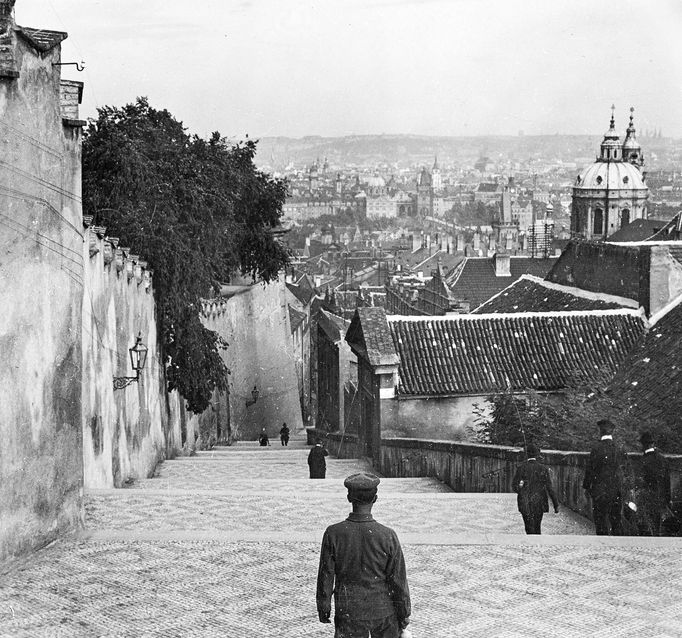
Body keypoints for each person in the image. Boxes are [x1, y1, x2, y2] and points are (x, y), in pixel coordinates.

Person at [317, 472, 411, 637]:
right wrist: (404, 614)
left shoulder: (333, 533)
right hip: (383, 612)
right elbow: (398, 580)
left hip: (348, 611)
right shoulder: (387, 535)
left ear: (349, 498)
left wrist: (324, 607)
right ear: (375, 498)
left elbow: (326, 575)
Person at [582, 419, 627, 535]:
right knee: (616, 521)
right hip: (616, 491)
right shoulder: (620, 449)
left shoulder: (596, 448)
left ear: (600, 432)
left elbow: (590, 470)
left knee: (600, 521)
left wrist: (587, 487)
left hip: (600, 492)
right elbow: (626, 470)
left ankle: (602, 548)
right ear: (612, 432)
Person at [511, 443, 559, 534]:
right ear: (538, 454)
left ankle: (531, 544)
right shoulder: (543, 469)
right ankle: (537, 544)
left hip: (525, 501)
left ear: (526, 454)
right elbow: (550, 488)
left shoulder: (521, 468)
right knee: (537, 526)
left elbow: (514, 486)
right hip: (539, 501)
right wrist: (555, 504)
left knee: (528, 526)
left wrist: (521, 489)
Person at [636, 431, 671, 536]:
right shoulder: (662, 459)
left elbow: (640, 481)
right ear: (652, 444)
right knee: (658, 525)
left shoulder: (643, 461)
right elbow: (667, 481)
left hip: (647, 498)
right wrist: (668, 499)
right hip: (661, 497)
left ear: (643, 445)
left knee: (646, 526)